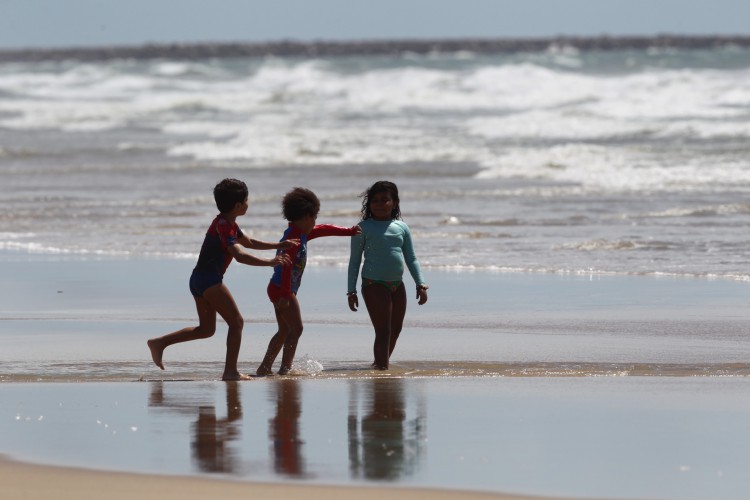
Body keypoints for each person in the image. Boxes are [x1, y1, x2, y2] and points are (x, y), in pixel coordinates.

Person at [147, 178, 296, 381]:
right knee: (237, 322)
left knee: (206, 329)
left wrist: (279, 245)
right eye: (246, 200)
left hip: (198, 280)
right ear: (238, 205)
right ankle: (230, 372)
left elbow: (249, 242)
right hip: (209, 280)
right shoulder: (224, 226)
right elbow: (240, 255)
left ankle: (159, 343)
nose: (248, 203)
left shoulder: (227, 223)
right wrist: (271, 262)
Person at [256, 187, 361, 376]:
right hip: (282, 288)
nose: (315, 222)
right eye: (314, 217)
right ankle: (285, 368)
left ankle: (265, 367)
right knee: (296, 329)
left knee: (284, 330)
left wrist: (349, 231)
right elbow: (287, 266)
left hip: (278, 287)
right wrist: (287, 295)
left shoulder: (300, 232)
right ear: (305, 216)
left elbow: (323, 230)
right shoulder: (294, 238)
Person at [347, 181, 428, 370]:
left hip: (397, 285)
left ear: (395, 202)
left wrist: (420, 283)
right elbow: (354, 261)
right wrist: (351, 291)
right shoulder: (362, 228)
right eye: (375, 201)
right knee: (383, 331)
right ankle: (382, 370)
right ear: (369, 204)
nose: (379, 204)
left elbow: (411, 258)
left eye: (385, 200)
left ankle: (380, 364)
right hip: (373, 284)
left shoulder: (402, 227)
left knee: (396, 329)